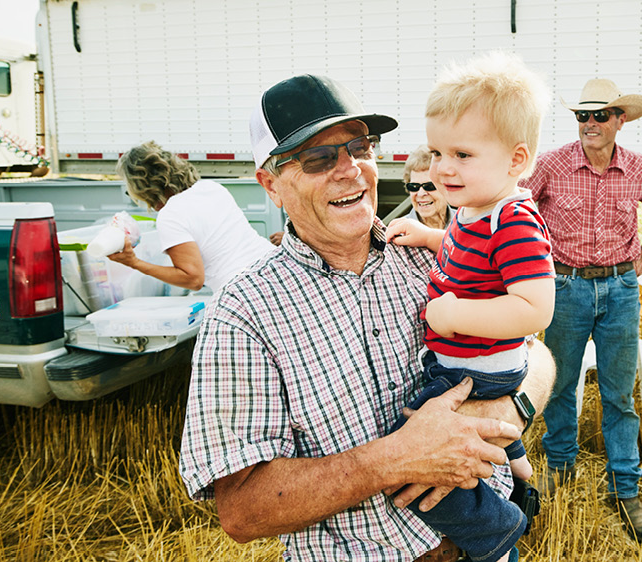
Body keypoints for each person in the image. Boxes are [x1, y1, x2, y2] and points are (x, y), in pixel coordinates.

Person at [178, 73, 555, 562]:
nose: (350, 169)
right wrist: (395, 457)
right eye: (318, 157)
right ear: (271, 185)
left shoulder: (431, 256)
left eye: (360, 146)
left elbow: (536, 352)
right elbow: (243, 511)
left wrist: (506, 412)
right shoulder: (242, 313)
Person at [384, 52, 554, 562]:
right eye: (436, 152)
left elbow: (534, 308)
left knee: (408, 443)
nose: (442, 168)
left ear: (516, 161)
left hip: (480, 368)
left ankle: (493, 527)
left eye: (461, 153)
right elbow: (470, 260)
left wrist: (453, 316)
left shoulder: (515, 222)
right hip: (469, 362)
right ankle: (517, 460)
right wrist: (428, 236)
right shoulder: (475, 208)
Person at [519, 77, 642, 543]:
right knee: (561, 385)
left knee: (618, 393)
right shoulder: (551, 164)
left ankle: (626, 489)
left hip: (621, 290)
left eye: (599, 115)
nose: (588, 123)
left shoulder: (641, 169)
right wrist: (534, 258)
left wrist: (641, 257)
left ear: (620, 120)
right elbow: (516, 205)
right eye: (581, 115)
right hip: (564, 287)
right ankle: (560, 467)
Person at [108, 141, 275, 292]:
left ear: (141, 187)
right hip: (274, 266)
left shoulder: (171, 214)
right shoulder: (211, 187)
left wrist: (134, 262)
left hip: (246, 288)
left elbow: (193, 279)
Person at [394, 144, 454, 229]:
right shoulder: (397, 232)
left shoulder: (467, 227)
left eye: (429, 186)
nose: (421, 193)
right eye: (414, 186)